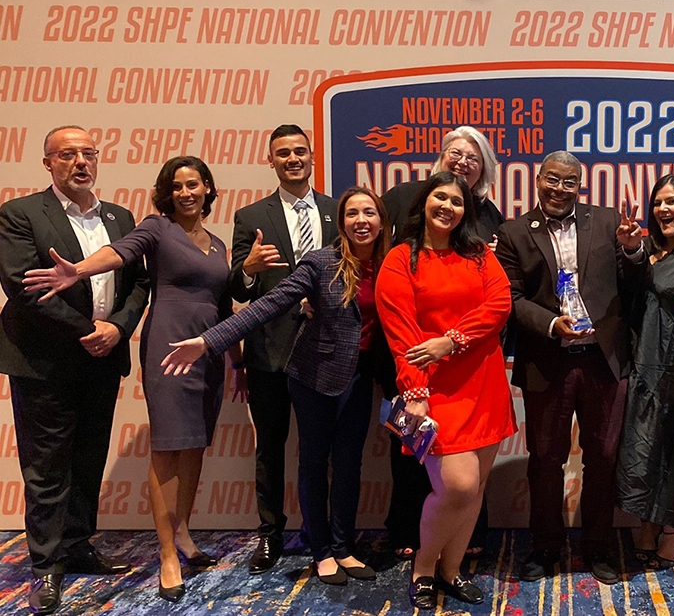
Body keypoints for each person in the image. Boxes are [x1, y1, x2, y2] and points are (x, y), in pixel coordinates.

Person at [24, 156, 240, 601]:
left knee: (195, 445)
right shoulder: (157, 229)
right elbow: (119, 251)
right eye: (177, 185)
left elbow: (222, 306)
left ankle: (183, 534)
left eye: (194, 184)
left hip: (210, 353)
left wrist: (236, 358)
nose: (186, 192)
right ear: (167, 192)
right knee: (167, 448)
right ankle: (165, 555)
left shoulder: (218, 244)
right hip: (168, 348)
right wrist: (79, 270)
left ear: (207, 188)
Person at [162, 186, 391, 586]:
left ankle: (344, 547)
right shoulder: (322, 262)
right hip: (314, 376)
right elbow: (269, 304)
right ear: (341, 223)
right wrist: (208, 342)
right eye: (352, 213)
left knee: (351, 465)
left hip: (358, 379)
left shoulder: (393, 264)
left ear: (381, 220)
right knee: (315, 463)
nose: (361, 220)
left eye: (369, 212)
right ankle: (321, 551)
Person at [0, 125, 149, 615]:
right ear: (48, 163)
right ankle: (45, 565)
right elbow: (25, 287)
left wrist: (119, 328)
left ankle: (79, 546)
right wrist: (91, 330)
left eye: (88, 153)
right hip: (46, 363)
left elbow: (139, 283)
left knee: (88, 460)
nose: (80, 162)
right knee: (47, 469)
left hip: (103, 360)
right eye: (67, 155)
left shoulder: (120, 216)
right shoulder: (21, 214)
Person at [495, 150, 647, 585]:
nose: (561, 189)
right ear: (538, 179)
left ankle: (598, 547)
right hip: (549, 361)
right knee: (545, 459)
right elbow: (510, 297)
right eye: (553, 180)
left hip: (603, 362)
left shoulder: (607, 222)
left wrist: (634, 248)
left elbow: (635, 283)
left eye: (570, 182)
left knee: (603, 457)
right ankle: (545, 548)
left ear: (581, 185)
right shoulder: (513, 232)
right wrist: (550, 324)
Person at [376, 172, 516, 609]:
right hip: (434, 390)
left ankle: (451, 570)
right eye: (440, 197)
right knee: (456, 485)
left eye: (457, 202)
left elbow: (500, 304)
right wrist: (415, 390)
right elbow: (401, 336)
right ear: (425, 202)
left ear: (465, 212)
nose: (448, 207)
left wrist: (451, 339)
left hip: (485, 382)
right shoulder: (400, 259)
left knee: (474, 490)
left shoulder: (478, 255)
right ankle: (423, 568)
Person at [227, 124, 339, 574]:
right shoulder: (250, 215)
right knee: (270, 449)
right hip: (269, 353)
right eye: (283, 153)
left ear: (312, 157)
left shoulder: (338, 212)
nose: (292, 159)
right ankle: (271, 535)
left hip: (325, 351)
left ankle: (322, 533)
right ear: (270, 161)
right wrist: (250, 270)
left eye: (299, 151)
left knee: (321, 449)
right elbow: (236, 285)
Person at [615, 174, 674, 569]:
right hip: (638, 366)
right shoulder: (646, 249)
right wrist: (632, 248)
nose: (663, 209)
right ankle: (646, 523)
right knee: (639, 451)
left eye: (672, 201)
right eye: (658, 202)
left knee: (673, 454)